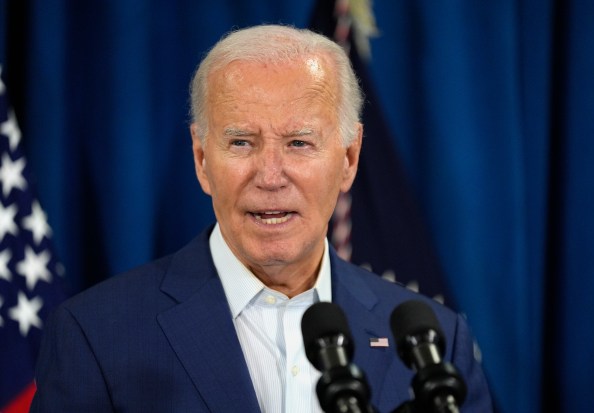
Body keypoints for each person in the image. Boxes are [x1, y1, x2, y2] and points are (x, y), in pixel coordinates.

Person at [30, 25, 493, 412]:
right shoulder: (95, 335)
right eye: (241, 143)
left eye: (299, 143)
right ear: (201, 159)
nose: (270, 177)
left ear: (349, 158)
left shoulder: (437, 341)